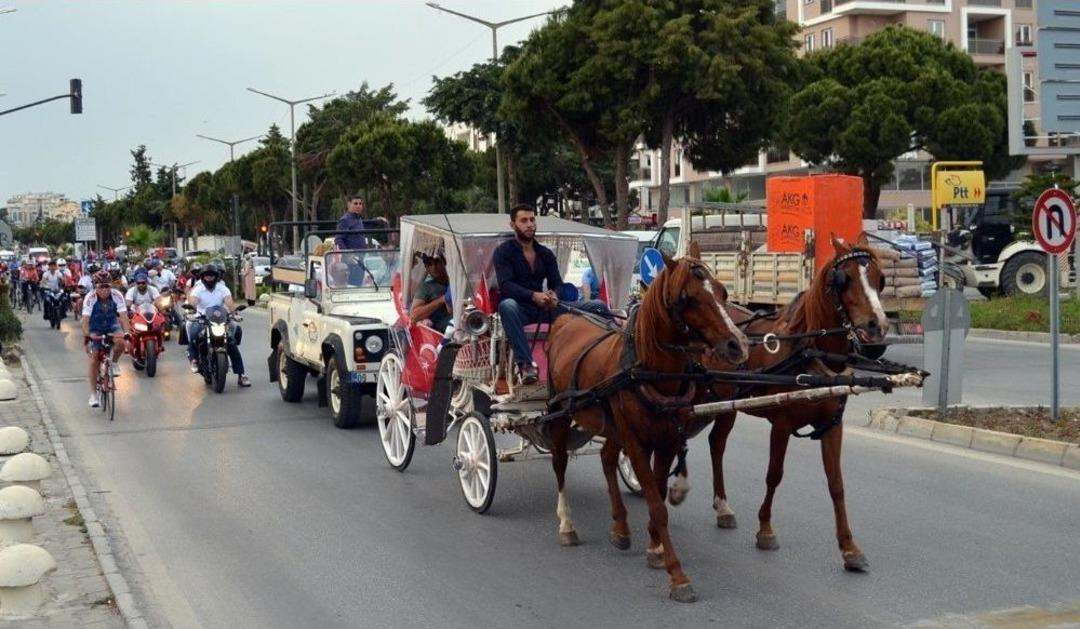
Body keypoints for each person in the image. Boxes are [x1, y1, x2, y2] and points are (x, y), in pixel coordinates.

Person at [493, 204, 610, 385]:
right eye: (524, 220)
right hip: (521, 310)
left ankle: (610, 356)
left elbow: (557, 283)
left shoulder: (545, 253)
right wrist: (533, 295)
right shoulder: (503, 252)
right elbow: (506, 285)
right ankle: (526, 365)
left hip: (547, 308)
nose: (529, 224)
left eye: (532, 220)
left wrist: (554, 295)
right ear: (513, 225)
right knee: (507, 305)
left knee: (598, 306)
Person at [186, 263, 250, 387]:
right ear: (202, 277)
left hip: (220, 319)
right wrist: (191, 309)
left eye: (212, 275)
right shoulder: (198, 289)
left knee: (231, 343)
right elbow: (193, 302)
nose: (209, 278)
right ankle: (194, 360)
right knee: (193, 333)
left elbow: (229, 302)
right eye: (207, 276)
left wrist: (234, 314)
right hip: (202, 319)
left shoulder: (222, 289)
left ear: (216, 277)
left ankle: (241, 375)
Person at [81, 271, 131, 407]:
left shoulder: (117, 295)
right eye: (100, 287)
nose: (104, 290)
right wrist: (87, 337)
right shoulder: (90, 298)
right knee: (94, 359)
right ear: (95, 287)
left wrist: (127, 334)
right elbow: (85, 320)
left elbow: (123, 316)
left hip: (111, 324)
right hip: (95, 327)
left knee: (120, 342)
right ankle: (93, 395)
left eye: (107, 286)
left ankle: (113, 363)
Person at [410, 253, 451, 333]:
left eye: (437, 262)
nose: (434, 267)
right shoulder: (426, 288)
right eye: (429, 265)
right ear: (426, 268)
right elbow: (414, 316)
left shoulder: (457, 283)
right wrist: (441, 300)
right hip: (440, 334)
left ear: (444, 262)